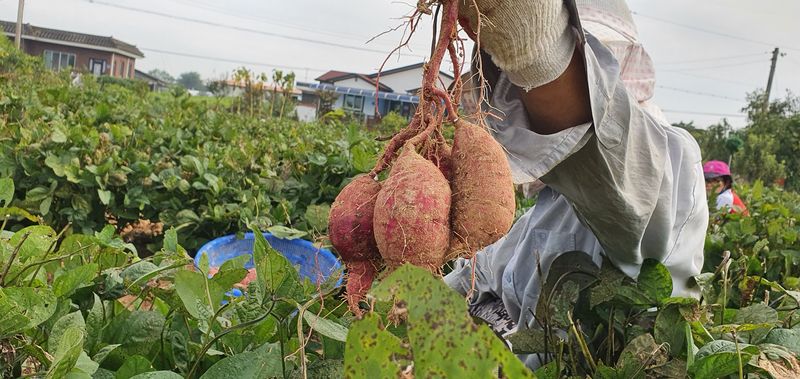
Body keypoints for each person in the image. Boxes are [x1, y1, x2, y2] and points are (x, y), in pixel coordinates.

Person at [444, 0, 709, 369]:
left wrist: (532, 48)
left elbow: (603, 133)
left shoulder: (667, 165)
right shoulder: (549, 204)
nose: (523, 101)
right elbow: (484, 270)